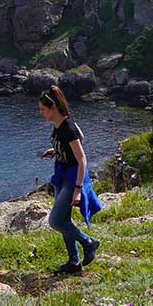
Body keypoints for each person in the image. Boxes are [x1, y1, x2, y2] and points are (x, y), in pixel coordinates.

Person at [39, 85, 101, 276]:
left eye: (43, 109)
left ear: (53, 108)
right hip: (62, 173)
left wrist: (77, 189)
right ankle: (74, 262)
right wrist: (57, 150)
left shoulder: (68, 128)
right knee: (64, 220)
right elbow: (81, 137)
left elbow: (82, 160)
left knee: (56, 221)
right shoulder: (59, 124)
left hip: (72, 177)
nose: (41, 113)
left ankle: (88, 242)